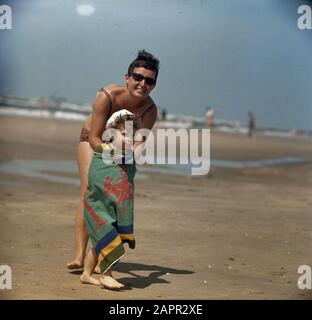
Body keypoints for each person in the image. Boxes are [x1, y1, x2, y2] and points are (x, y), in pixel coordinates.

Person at [66, 50, 159, 273]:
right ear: (127, 78)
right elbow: (95, 136)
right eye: (138, 77)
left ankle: (100, 255)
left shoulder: (149, 109)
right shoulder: (107, 96)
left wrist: (127, 164)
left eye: (149, 81)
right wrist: (108, 155)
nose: (142, 84)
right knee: (90, 190)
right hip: (92, 141)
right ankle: (79, 256)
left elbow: (138, 143)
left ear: (154, 85)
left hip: (122, 151)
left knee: (115, 197)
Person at [81, 112, 142, 288]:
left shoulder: (128, 158)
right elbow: (96, 176)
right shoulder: (104, 151)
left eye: (132, 136)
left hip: (113, 206)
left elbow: (126, 180)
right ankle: (106, 275)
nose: (129, 140)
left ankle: (86, 274)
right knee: (109, 238)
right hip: (98, 204)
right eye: (124, 135)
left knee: (100, 241)